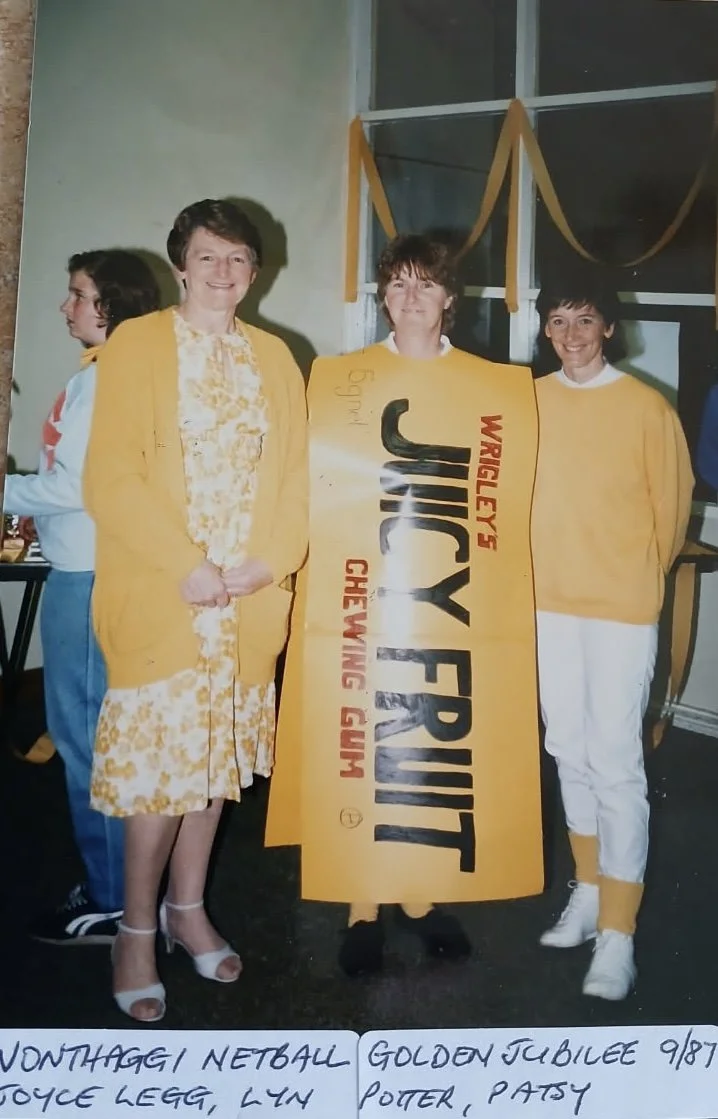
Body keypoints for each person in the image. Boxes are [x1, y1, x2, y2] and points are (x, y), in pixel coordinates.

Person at [267, 233, 544, 977]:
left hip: (446, 597)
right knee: (368, 737)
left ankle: (421, 897)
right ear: (383, 296)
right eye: (397, 286)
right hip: (364, 595)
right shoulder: (342, 380)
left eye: (426, 285)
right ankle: (362, 901)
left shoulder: (495, 387)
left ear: (451, 297)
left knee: (433, 740)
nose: (411, 298)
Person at [83, 198, 308, 1022]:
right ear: (182, 263)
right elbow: (110, 476)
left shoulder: (279, 358)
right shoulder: (136, 345)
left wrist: (267, 563)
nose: (223, 272)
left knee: (212, 771)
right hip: (166, 591)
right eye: (208, 257)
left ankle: (188, 911)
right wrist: (188, 565)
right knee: (159, 780)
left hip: (245, 598)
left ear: (256, 270)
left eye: (238, 259)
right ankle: (135, 930)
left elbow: (295, 479)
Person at [531, 268, 694, 1000]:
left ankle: (619, 934)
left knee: (616, 760)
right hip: (547, 604)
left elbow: (671, 514)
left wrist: (630, 580)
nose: (571, 336)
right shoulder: (530, 402)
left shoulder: (646, 408)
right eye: (559, 321)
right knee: (566, 748)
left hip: (620, 606)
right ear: (545, 330)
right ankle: (589, 891)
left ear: (609, 329)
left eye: (584, 321)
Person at [3, 250, 160, 944]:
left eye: (77, 294)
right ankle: (117, 884)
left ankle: (112, 900)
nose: (66, 307)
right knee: (89, 737)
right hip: (87, 568)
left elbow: (79, 488)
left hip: (91, 577)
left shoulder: (107, 381)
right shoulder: (102, 374)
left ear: (110, 304)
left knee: (88, 741)